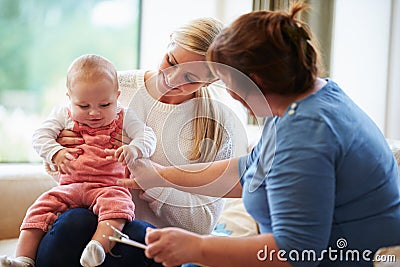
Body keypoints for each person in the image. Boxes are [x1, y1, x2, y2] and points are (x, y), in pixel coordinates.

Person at [120, 2, 400, 267]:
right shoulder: (306, 99)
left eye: (225, 79)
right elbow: (249, 171)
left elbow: (296, 253)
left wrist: (196, 248)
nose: (226, 92)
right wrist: (161, 175)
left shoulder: (307, 135)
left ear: (256, 81)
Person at [35, 18, 248, 267]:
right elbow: (61, 169)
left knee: (139, 234)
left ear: (212, 80)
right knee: (74, 221)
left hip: (146, 242)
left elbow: (203, 224)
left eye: (190, 77)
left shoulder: (216, 124)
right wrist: (62, 154)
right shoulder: (114, 87)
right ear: (169, 41)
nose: (172, 79)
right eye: (171, 61)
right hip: (86, 219)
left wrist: (155, 182)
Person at [0, 54, 157, 267]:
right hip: (70, 186)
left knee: (118, 208)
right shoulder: (63, 115)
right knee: (38, 210)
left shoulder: (125, 116)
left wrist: (134, 148)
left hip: (108, 186)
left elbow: (147, 136)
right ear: (69, 98)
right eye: (83, 106)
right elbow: (39, 136)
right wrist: (55, 152)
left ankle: (98, 248)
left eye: (104, 104)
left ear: (117, 97)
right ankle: (24, 259)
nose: (94, 113)